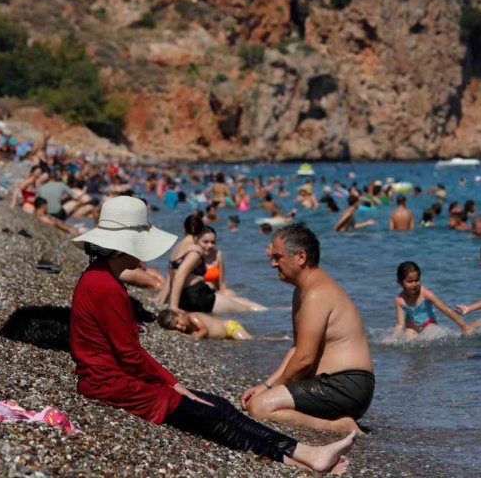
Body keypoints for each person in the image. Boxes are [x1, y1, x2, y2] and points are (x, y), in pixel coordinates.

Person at [69, 197, 355, 474]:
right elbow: (130, 356)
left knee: (219, 405)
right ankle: (298, 457)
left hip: (113, 379)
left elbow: (125, 354)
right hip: (109, 385)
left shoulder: (100, 277)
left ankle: (300, 454)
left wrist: (174, 385)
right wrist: (174, 385)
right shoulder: (105, 286)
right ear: (124, 247)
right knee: (211, 414)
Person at [241, 224, 374, 434]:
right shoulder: (302, 291)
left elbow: (304, 359)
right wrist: (267, 386)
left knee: (259, 407)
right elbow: (297, 349)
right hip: (335, 385)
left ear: (301, 257)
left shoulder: (317, 293)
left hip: (345, 386)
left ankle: (337, 426)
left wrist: (274, 391)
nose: (273, 264)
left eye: (278, 257)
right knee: (262, 400)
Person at [163, 218, 266, 313]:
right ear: (198, 237)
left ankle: (271, 311)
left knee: (244, 301)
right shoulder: (194, 252)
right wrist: (173, 306)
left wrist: (162, 302)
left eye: (213, 242)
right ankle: (268, 313)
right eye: (205, 242)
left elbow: (171, 276)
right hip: (199, 296)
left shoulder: (182, 248)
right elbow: (178, 276)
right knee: (246, 309)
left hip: (203, 294)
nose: (209, 245)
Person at [389, 261, 470, 340]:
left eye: (417, 280)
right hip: (412, 327)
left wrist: (463, 326)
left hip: (428, 324)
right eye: (410, 281)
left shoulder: (426, 294)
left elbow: (446, 310)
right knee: (407, 338)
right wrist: (391, 339)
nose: (414, 284)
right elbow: (400, 325)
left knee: (430, 333)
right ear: (400, 282)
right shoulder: (400, 300)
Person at [157, 309, 252, 340]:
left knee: (247, 341)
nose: (178, 327)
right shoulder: (185, 329)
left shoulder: (192, 317)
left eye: (177, 322)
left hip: (230, 328)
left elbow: (204, 329)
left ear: (180, 314)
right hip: (226, 337)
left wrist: (193, 338)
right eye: (174, 328)